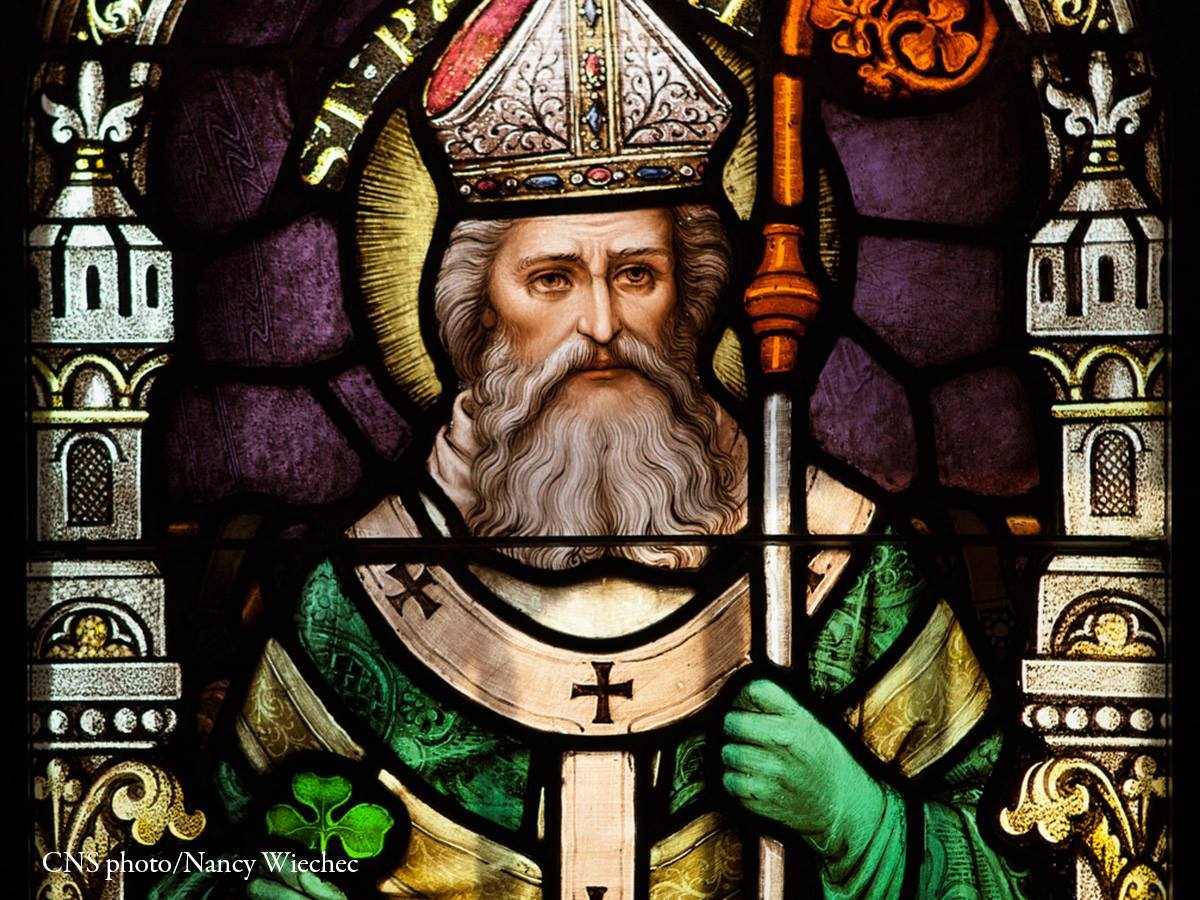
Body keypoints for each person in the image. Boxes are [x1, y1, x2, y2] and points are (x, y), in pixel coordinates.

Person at [149, 202, 1033, 900]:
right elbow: (181, 862)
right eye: (553, 279)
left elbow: (1039, 866)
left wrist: (867, 828)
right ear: (476, 312)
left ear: (690, 303)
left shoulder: (838, 561)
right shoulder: (362, 587)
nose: (602, 324)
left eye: (638, 274)